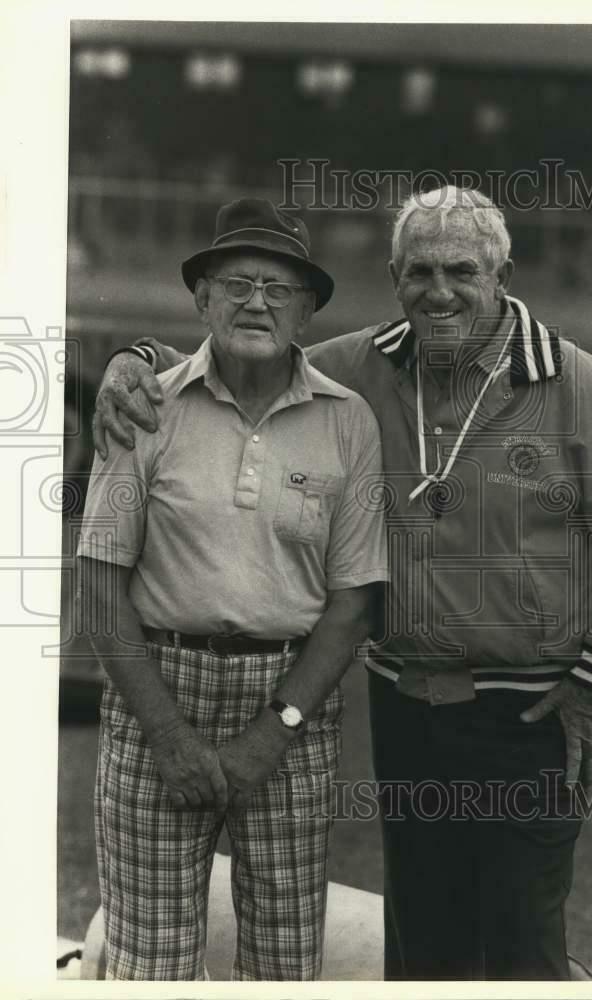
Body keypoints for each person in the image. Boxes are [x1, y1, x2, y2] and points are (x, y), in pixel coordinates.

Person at [93, 185, 592, 981]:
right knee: (423, 946)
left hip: (531, 710)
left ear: (502, 274)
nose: (437, 292)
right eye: (418, 272)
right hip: (408, 710)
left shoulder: (573, 382)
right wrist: (131, 362)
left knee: (522, 947)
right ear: (394, 276)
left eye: (460, 271)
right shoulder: (363, 365)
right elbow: (243, 354)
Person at [77, 197, 388, 981]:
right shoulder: (143, 408)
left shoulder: (347, 421)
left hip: (290, 705)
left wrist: (273, 730)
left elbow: (353, 605)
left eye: (280, 289)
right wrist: (171, 738)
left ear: (308, 309)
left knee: (284, 966)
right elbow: (102, 586)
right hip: (157, 694)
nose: (257, 302)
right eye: (238, 283)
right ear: (201, 298)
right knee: (150, 967)